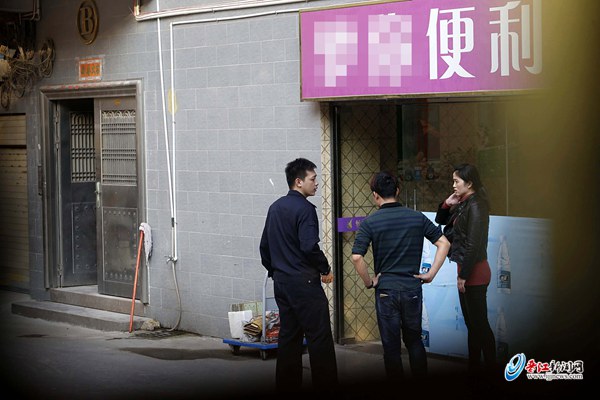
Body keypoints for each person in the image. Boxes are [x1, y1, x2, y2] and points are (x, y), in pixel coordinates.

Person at [351, 171, 450, 380]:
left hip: (386, 291)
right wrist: (431, 273)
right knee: (414, 341)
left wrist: (370, 282)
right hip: (412, 288)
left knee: (391, 347)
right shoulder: (416, 217)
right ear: (397, 191)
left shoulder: (370, 222)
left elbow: (357, 257)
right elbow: (444, 243)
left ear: (375, 195)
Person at [259, 158, 338, 394]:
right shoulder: (305, 210)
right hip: (305, 283)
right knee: (319, 337)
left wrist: (275, 271)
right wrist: (325, 268)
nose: (316, 183)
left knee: (289, 338)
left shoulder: (275, 208)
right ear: (298, 181)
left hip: (282, 283)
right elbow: (309, 246)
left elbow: (264, 248)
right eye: (313, 179)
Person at [435, 163, 496, 379]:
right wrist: (447, 203)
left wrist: (463, 276)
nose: (453, 185)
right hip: (466, 271)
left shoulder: (477, 205)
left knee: (480, 326)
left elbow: (473, 244)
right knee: (473, 326)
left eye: (456, 181)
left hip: (475, 273)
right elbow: (440, 221)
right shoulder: (464, 203)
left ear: (469, 183)